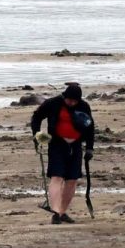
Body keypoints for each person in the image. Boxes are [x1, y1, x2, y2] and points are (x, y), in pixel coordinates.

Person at [29, 82, 94, 224]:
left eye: (75, 101)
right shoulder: (53, 103)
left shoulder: (84, 106)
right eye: (69, 100)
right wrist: (37, 135)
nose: (71, 103)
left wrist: (89, 148)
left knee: (72, 180)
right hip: (57, 145)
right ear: (64, 96)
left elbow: (90, 127)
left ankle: (62, 212)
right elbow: (37, 117)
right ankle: (55, 212)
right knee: (56, 177)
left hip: (76, 146)